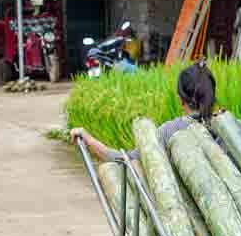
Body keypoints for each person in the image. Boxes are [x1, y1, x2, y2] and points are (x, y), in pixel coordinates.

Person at [71, 61, 216, 161]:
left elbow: (125, 160)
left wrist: (88, 139)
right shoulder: (227, 126)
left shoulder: (170, 131)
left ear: (180, 99)